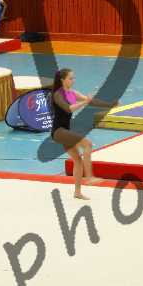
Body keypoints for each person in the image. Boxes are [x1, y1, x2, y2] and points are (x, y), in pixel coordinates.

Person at [50, 68, 98, 200]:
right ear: (62, 80)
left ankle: (77, 192)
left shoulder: (72, 93)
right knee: (88, 144)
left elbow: (90, 100)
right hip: (59, 131)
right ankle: (89, 177)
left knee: (77, 160)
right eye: (70, 78)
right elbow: (68, 108)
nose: (73, 80)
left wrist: (110, 104)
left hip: (66, 130)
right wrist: (84, 102)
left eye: (73, 78)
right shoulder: (58, 94)